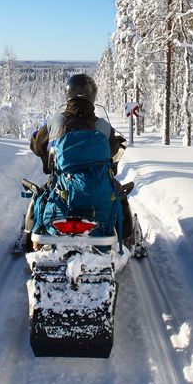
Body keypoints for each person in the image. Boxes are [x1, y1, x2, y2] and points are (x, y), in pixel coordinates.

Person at [20, 73, 141, 253]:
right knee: (119, 197)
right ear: (92, 96)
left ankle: (28, 238)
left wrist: (48, 154)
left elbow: (36, 145)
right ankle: (128, 239)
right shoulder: (103, 126)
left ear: (68, 94)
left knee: (40, 196)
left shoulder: (55, 122)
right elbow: (115, 151)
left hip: (62, 187)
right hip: (97, 189)